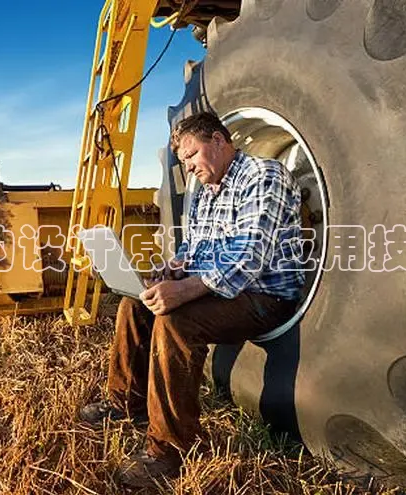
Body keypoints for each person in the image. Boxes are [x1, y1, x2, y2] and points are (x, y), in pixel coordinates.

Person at [78, 111, 307, 488]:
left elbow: (250, 255)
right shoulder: (205, 191)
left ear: (219, 141)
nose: (187, 167)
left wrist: (184, 291)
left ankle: (169, 449)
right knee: (134, 306)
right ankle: (125, 405)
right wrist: (171, 271)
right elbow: (194, 249)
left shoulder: (264, 176)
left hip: (264, 295)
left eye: (192, 155)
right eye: (182, 161)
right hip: (222, 290)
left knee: (175, 321)